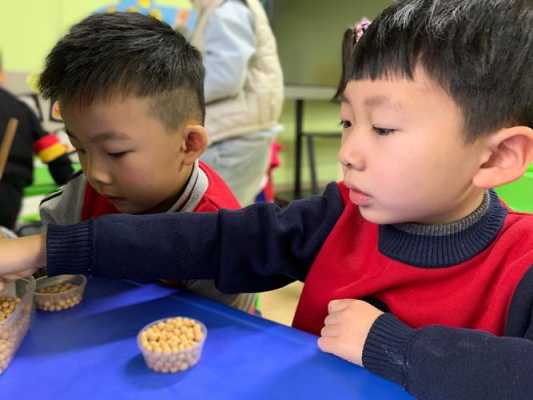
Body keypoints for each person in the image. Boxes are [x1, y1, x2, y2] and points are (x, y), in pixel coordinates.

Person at [1, 0, 533, 398]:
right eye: (348, 121)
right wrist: (44, 248)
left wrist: (395, 348)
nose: (349, 151)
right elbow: (211, 238)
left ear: (494, 158)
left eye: (386, 128)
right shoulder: (335, 216)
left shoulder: (521, 261)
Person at [35, 12, 256, 312]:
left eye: (115, 152)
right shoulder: (81, 197)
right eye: (79, 148)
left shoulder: (218, 229)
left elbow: (228, 331)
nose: (94, 173)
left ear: (189, 145)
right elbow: (51, 261)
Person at [189, 0, 284, 206]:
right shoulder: (225, 9)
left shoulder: (227, 11)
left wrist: (178, 96)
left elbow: (225, 78)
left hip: (232, 138)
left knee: (220, 215)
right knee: (229, 212)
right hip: (240, 131)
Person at [0, 53, 74, 230]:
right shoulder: (19, 109)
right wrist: (69, 183)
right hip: (8, 191)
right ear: (2, 74)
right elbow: (50, 149)